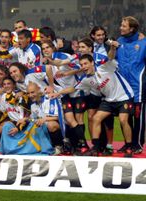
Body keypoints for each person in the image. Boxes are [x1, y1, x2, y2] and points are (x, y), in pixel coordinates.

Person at [50, 54, 134, 157]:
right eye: (81, 65)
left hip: (124, 96)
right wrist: (58, 93)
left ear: (92, 63)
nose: (84, 67)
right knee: (95, 119)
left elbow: (111, 56)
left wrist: (111, 46)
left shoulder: (103, 67)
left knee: (123, 120)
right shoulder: (86, 79)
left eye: (86, 63)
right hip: (109, 100)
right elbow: (73, 88)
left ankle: (129, 147)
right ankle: (95, 147)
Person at [111, 16, 146, 154]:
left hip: (138, 87)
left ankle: (137, 144)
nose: (120, 28)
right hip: (123, 88)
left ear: (131, 28)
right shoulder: (119, 42)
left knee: (138, 117)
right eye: (121, 25)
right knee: (124, 117)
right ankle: (128, 143)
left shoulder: (144, 42)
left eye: (124, 26)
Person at [0, 78, 53, 155]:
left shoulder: (47, 99)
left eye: (8, 83)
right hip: (22, 123)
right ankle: (10, 149)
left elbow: (58, 117)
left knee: (39, 125)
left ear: (14, 85)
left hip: (31, 124)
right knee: (5, 126)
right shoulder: (33, 105)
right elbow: (31, 118)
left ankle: (39, 147)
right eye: (4, 84)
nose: (30, 95)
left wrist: (20, 126)